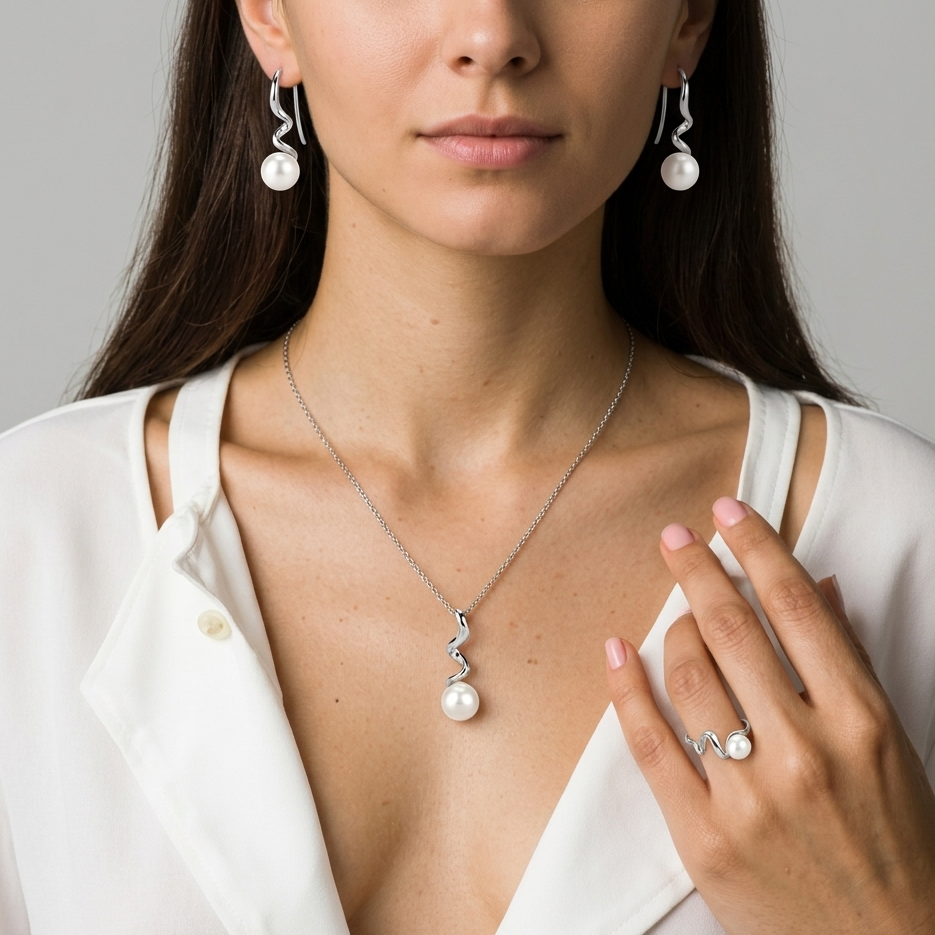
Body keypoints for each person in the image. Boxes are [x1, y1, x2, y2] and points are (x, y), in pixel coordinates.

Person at [1, 0, 933, 932]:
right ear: (269, 16)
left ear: (687, 20)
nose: (492, 35)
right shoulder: (36, 536)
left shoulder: (896, 538)